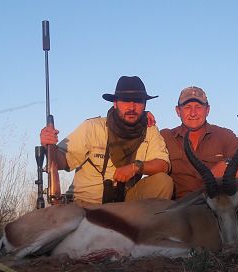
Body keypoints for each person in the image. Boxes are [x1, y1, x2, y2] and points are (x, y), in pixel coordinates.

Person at [40, 76, 173, 206]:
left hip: (124, 203)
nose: (132, 107)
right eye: (126, 101)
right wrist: (49, 147)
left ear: (144, 105)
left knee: (163, 182)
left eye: (138, 101)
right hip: (85, 205)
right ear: (115, 103)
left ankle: (144, 226)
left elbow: (163, 165)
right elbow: (62, 160)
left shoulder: (150, 130)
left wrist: (136, 167)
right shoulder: (92, 127)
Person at [160, 86, 238, 219]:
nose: (193, 113)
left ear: (207, 110)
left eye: (198, 107)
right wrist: (145, 115)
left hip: (214, 206)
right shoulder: (165, 136)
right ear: (178, 111)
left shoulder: (223, 135)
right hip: (179, 209)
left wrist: (226, 164)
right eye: (187, 107)